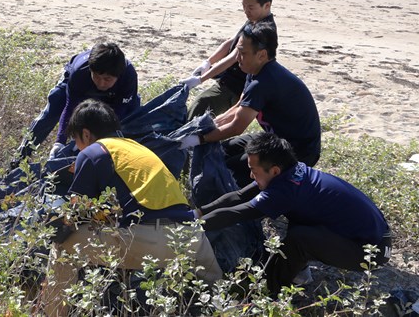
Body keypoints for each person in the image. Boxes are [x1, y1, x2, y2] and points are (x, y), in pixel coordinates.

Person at [40, 100, 222, 316]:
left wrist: (51, 226)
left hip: (148, 242)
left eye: (76, 140)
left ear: (86, 134)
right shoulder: (138, 149)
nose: (77, 147)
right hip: (191, 239)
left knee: (63, 247)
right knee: (216, 293)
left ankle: (52, 312)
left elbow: (75, 216)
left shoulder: (92, 153)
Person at [194, 132, 391, 296]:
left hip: (371, 251)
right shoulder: (291, 172)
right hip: (367, 233)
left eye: (253, 170)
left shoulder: (286, 190)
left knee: (299, 239)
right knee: (299, 218)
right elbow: (238, 196)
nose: (251, 176)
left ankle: (270, 291)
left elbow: (236, 213)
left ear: (274, 170)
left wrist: (192, 227)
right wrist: (196, 213)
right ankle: (298, 270)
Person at [180, 20, 321, 188]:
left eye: (242, 53)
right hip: (275, 138)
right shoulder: (255, 71)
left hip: (298, 151)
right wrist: (212, 124)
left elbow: (236, 127)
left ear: (261, 55)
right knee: (221, 152)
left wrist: (199, 139)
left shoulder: (263, 82)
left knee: (229, 168)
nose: (237, 58)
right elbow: (239, 107)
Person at [16, 42, 139, 160]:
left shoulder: (128, 76)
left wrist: (94, 142)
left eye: (107, 79)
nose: (101, 83)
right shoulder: (79, 72)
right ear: (90, 70)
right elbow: (70, 107)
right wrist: (60, 142)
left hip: (116, 95)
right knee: (55, 104)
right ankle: (20, 158)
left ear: (118, 76)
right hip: (81, 84)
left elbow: (117, 114)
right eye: (96, 77)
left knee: (132, 118)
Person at [180, 0, 276, 119]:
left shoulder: (264, 30)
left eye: (250, 7)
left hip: (235, 88)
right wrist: (207, 62)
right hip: (226, 81)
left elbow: (233, 58)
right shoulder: (254, 18)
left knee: (201, 104)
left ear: (266, 5)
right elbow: (231, 41)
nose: (246, 11)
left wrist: (201, 79)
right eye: (243, 6)